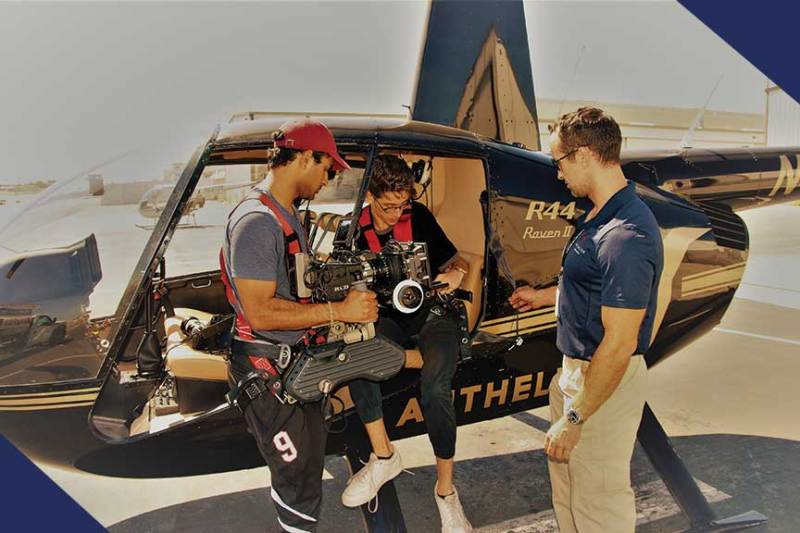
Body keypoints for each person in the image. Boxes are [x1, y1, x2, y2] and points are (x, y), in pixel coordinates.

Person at [509, 107, 664, 533]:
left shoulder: (625, 236)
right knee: (569, 492)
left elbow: (619, 341)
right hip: (576, 374)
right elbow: (593, 290)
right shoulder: (599, 216)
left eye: (558, 161)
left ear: (584, 155)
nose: (558, 174)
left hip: (602, 380)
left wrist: (575, 418)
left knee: (599, 502)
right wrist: (544, 297)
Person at [220, 118, 379, 533]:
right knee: (297, 480)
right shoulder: (258, 221)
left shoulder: (286, 213)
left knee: (307, 467)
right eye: (327, 168)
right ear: (305, 157)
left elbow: (292, 290)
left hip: (293, 366)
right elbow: (261, 313)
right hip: (266, 372)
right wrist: (338, 312)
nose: (328, 179)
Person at [342, 155, 473, 532]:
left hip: (433, 313)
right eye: (388, 207)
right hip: (385, 318)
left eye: (403, 205)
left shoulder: (419, 218)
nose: (396, 214)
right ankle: (383, 455)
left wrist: (456, 275)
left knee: (435, 389)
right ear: (369, 195)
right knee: (360, 353)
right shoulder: (350, 230)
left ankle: (446, 493)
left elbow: (458, 263)